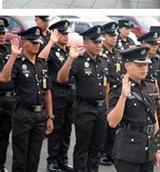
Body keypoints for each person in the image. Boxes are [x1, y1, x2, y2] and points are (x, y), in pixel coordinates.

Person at [0, 27, 54, 172]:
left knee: (34, 156)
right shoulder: (17, 63)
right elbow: (4, 78)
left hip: (39, 115)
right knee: (20, 157)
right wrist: (12, 56)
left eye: (38, 43)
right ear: (24, 43)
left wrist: (50, 117)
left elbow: (47, 92)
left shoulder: (42, 64)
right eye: (33, 42)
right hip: (23, 115)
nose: (37, 45)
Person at [57, 26, 109, 172]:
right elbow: (61, 78)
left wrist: (106, 106)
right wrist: (70, 58)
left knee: (96, 148)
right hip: (85, 109)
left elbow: (106, 85)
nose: (99, 45)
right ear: (85, 43)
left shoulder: (103, 61)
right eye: (95, 42)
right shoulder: (78, 61)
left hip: (100, 109)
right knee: (82, 147)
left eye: (100, 42)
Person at [107, 47, 160, 172]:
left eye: (146, 64)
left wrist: (156, 148)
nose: (144, 68)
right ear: (127, 65)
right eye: (139, 65)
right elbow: (112, 122)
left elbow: (154, 120)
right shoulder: (118, 89)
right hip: (128, 151)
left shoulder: (150, 87)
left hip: (147, 148)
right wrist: (123, 97)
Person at [39, 20, 74, 172]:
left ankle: (63, 160)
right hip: (57, 93)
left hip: (70, 93)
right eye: (62, 33)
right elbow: (41, 59)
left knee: (67, 129)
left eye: (67, 33)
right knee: (57, 129)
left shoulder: (68, 52)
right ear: (55, 34)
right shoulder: (51, 50)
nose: (66, 36)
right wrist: (50, 42)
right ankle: (52, 161)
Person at [100, 21, 123, 167]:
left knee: (114, 127)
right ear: (103, 36)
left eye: (115, 35)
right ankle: (102, 153)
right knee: (105, 127)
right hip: (106, 91)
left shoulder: (117, 53)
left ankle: (111, 152)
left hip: (117, 92)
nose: (114, 38)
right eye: (110, 35)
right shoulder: (101, 53)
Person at [0, 18, 15, 172]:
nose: (2, 35)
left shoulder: (9, 50)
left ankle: (1, 165)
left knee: (4, 135)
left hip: (9, 99)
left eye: (3, 32)